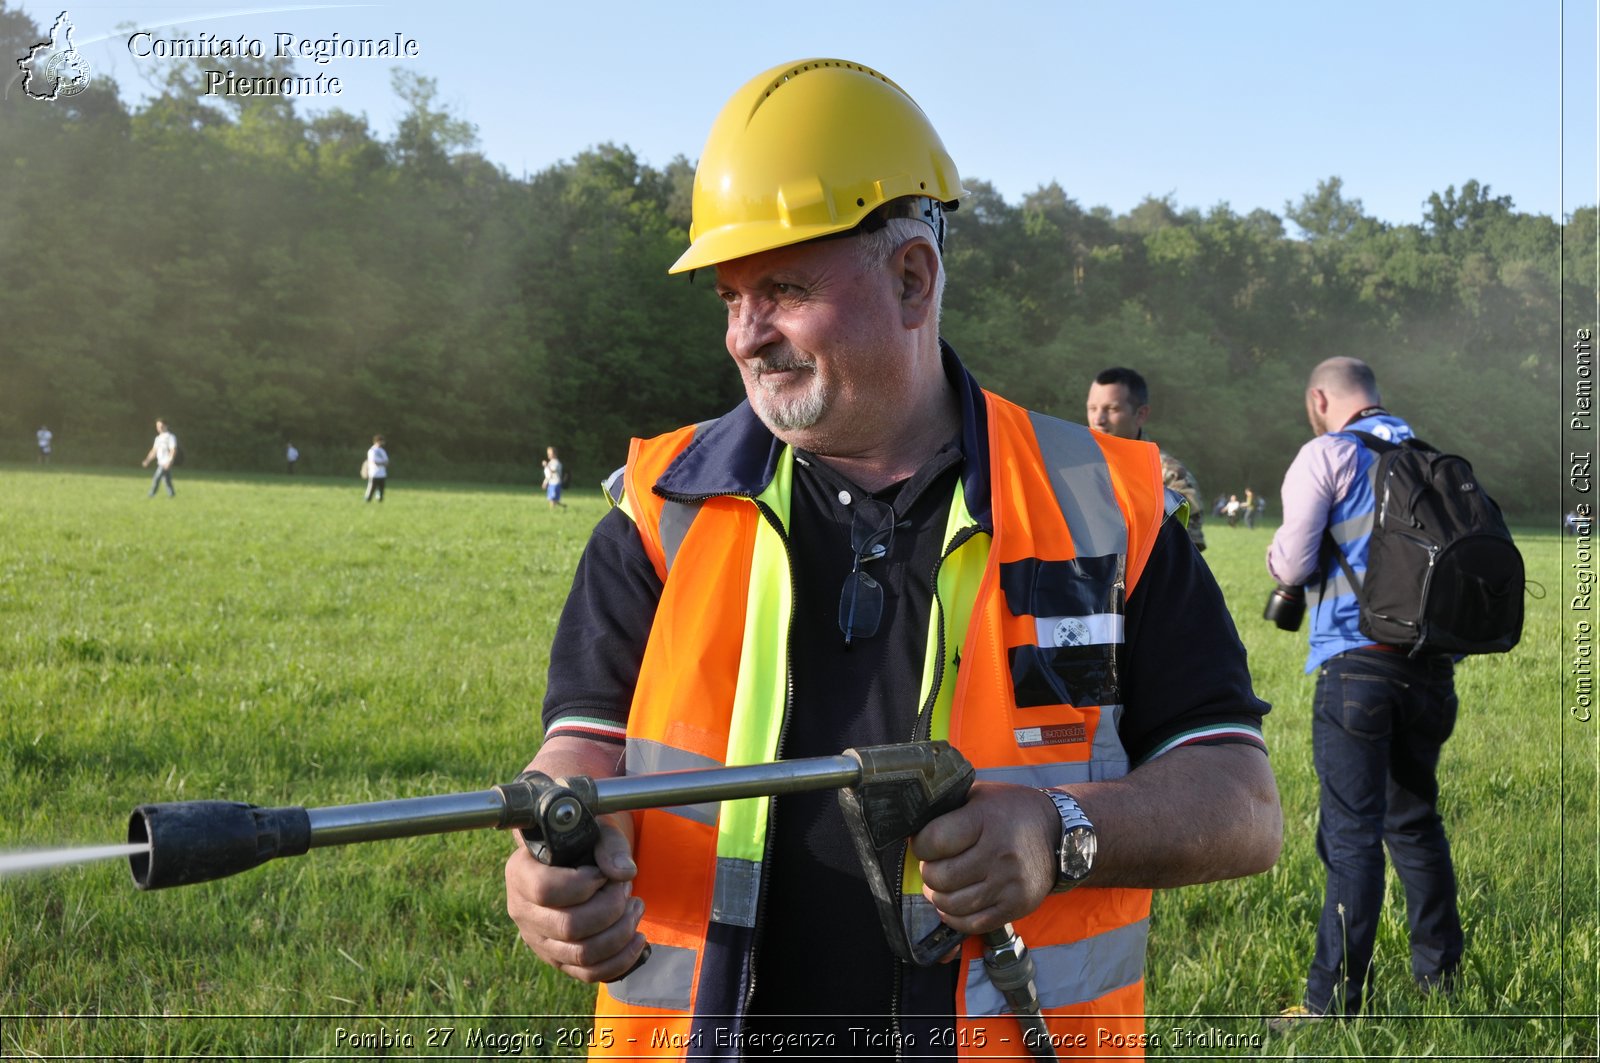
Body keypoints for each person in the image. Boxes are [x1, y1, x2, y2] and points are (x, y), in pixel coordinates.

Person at [504, 58, 1281, 1058]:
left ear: (912, 277)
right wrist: (549, 866)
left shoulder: (1105, 507)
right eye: (729, 295)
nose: (747, 334)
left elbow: (1240, 805)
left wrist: (1056, 830)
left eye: (782, 287)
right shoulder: (661, 512)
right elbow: (577, 752)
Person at [1267, 356, 1462, 1022]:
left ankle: (1332, 1003)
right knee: (1415, 824)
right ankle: (1440, 979)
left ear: (1320, 397)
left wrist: (1281, 570)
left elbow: (1293, 561)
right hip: (1432, 670)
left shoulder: (1328, 453)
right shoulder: (1431, 459)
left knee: (1352, 839)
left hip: (1357, 669)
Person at [1085, 367, 1206, 552]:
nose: (1098, 419)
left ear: (1141, 414)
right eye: (1092, 409)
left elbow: (1184, 553)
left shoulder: (1169, 474)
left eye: (1112, 409)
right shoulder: (1072, 466)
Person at [140, 419, 177, 498]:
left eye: (161, 426)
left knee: (156, 478)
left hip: (165, 462)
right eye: (157, 426)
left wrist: (169, 461)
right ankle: (172, 495)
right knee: (167, 480)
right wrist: (147, 460)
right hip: (160, 462)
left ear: (166, 426)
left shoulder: (170, 437)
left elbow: (173, 450)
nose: (159, 428)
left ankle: (151, 494)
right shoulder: (158, 438)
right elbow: (154, 451)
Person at [363, 435, 387, 502]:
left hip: (382, 473)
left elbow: (386, 461)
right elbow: (374, 462)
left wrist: (382, 463)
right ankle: (367, 499)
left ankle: (379, 499)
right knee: (372, 487)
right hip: (374, 473)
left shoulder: (382, 450)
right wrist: (382, 463)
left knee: (381, 488)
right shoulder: (372, 450)